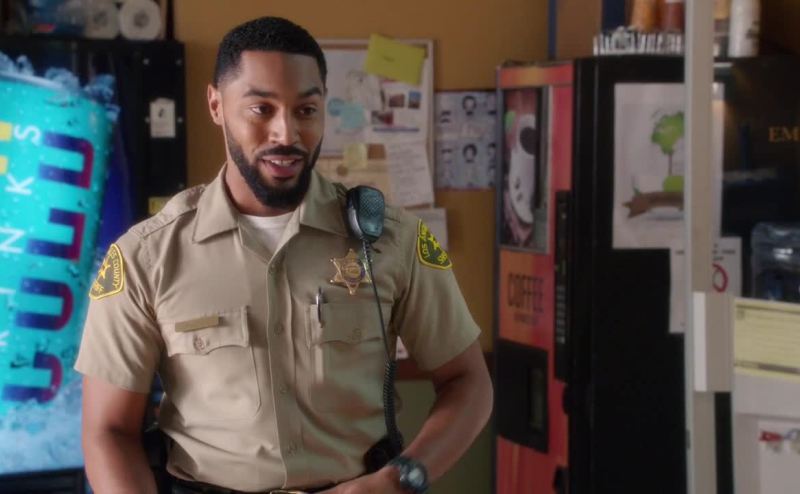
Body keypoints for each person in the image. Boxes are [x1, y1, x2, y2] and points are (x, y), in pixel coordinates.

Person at [76, 16, 492, 494]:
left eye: (306, 110)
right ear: (216, 105)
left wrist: (397, 482)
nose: (286, 133)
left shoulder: (393, 240)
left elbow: (468, 382)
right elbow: (108, 431)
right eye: (261, 109)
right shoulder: (145, 257)